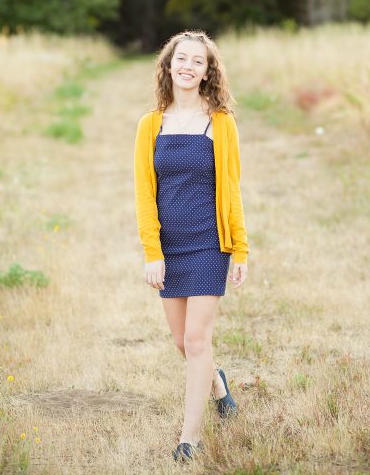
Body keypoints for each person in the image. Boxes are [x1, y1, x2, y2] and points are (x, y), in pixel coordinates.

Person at [133, 30, 249, 463]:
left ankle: (190, 437)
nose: (187, 66)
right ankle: (217, 383)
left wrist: (240, 249)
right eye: (181, 59)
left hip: (208, 243)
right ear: (168, 66)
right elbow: (144, 194)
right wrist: (152, 252)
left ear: (207, 72)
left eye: (197, 61)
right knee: (182, 342)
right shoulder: (150, 124)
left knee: (198, 338)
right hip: (169, 246)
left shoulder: (220, 123)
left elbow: (232, 189)